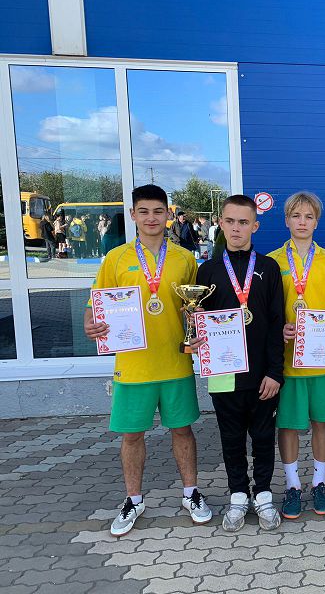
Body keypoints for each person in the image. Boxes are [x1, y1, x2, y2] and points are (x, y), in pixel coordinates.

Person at [83, 184, 212, 537]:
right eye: (144, 211)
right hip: (133, 365)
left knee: (183, 430)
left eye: (158, 211)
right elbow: (95, 303)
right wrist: (90, 323)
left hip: (175, 362)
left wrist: (198, 328)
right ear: (133, 215)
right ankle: (134, 500)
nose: (151, 218)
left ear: (168, 214)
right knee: (132, 435)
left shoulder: (185, 258)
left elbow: (194, 309)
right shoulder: (116, 258)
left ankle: (191, 493)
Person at [193, 195, 286, 532]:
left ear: (255, 226)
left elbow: (276, 323)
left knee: (263, 437)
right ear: (220, 223)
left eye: (243, 222)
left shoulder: (269, 268)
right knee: (231, 438)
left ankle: (263, 494)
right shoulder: (208, 270)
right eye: (230, 221)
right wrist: (195, 327)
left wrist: (275, 372)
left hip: (262, 375)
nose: (236, 228)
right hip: (224, 373)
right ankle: (237, 495)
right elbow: (200, 321)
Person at [267, 191, 325, 520]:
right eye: (296, 216)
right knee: (287, 424)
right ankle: (292, 485)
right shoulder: (272, 261)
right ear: (286, 220)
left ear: (317, 222)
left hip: (322, 359)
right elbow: (267, 310)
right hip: (287, 361)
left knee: (321, 422)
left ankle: (319, 482)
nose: (302, 222)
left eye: (309, 217)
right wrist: (278, 329)